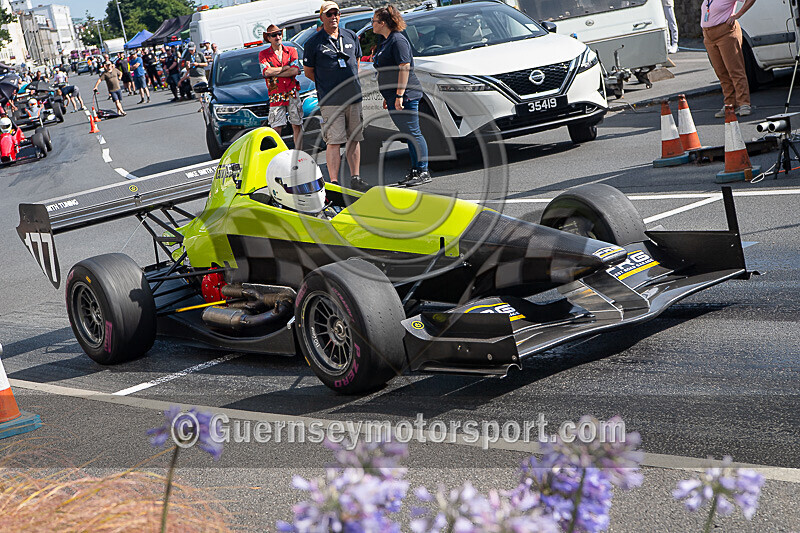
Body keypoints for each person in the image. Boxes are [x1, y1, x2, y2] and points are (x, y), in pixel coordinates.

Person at [303, 1, 369, 191]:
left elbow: (356, 62)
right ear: (322, 17)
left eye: (336, 13)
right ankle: (334, 182)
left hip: (353, 96)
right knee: (334, 140)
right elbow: (309, 72)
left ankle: (355, 177)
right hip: (331, 100)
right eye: (329, 14)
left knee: (354, 137)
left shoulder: (350, 36)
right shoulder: (313, 43)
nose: (333, 17)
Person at [371, 5, 431, 187]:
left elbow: (404, 67)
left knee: (414, 132)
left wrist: (399, 95)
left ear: (382, 23)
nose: (372, 24)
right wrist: (388, 96)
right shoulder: (385, 41)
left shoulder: (397, 40)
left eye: (373, 21)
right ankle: (415, 170)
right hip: (393, 95)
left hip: (406, 95)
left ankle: (423, 170)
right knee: (408, 133)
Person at [702, 0, 757, 117]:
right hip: (709, 35)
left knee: (735, 70)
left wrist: (737, 15)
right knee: (721, 72)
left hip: (726, 33)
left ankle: (744, 104)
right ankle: (730, 103)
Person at [260, 24, 304, 150]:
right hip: (275, 93)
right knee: (276, 127)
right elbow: (266, 72)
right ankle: (278, 154)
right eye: (274, 35)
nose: (277, 37)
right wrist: (285, 68)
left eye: (279, 34)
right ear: (268, 38)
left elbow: (295, 70)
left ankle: (299, 153)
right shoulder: (263, 54)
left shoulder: (291, 50)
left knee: (297, 124)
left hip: (291, 91)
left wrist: (276, 71)